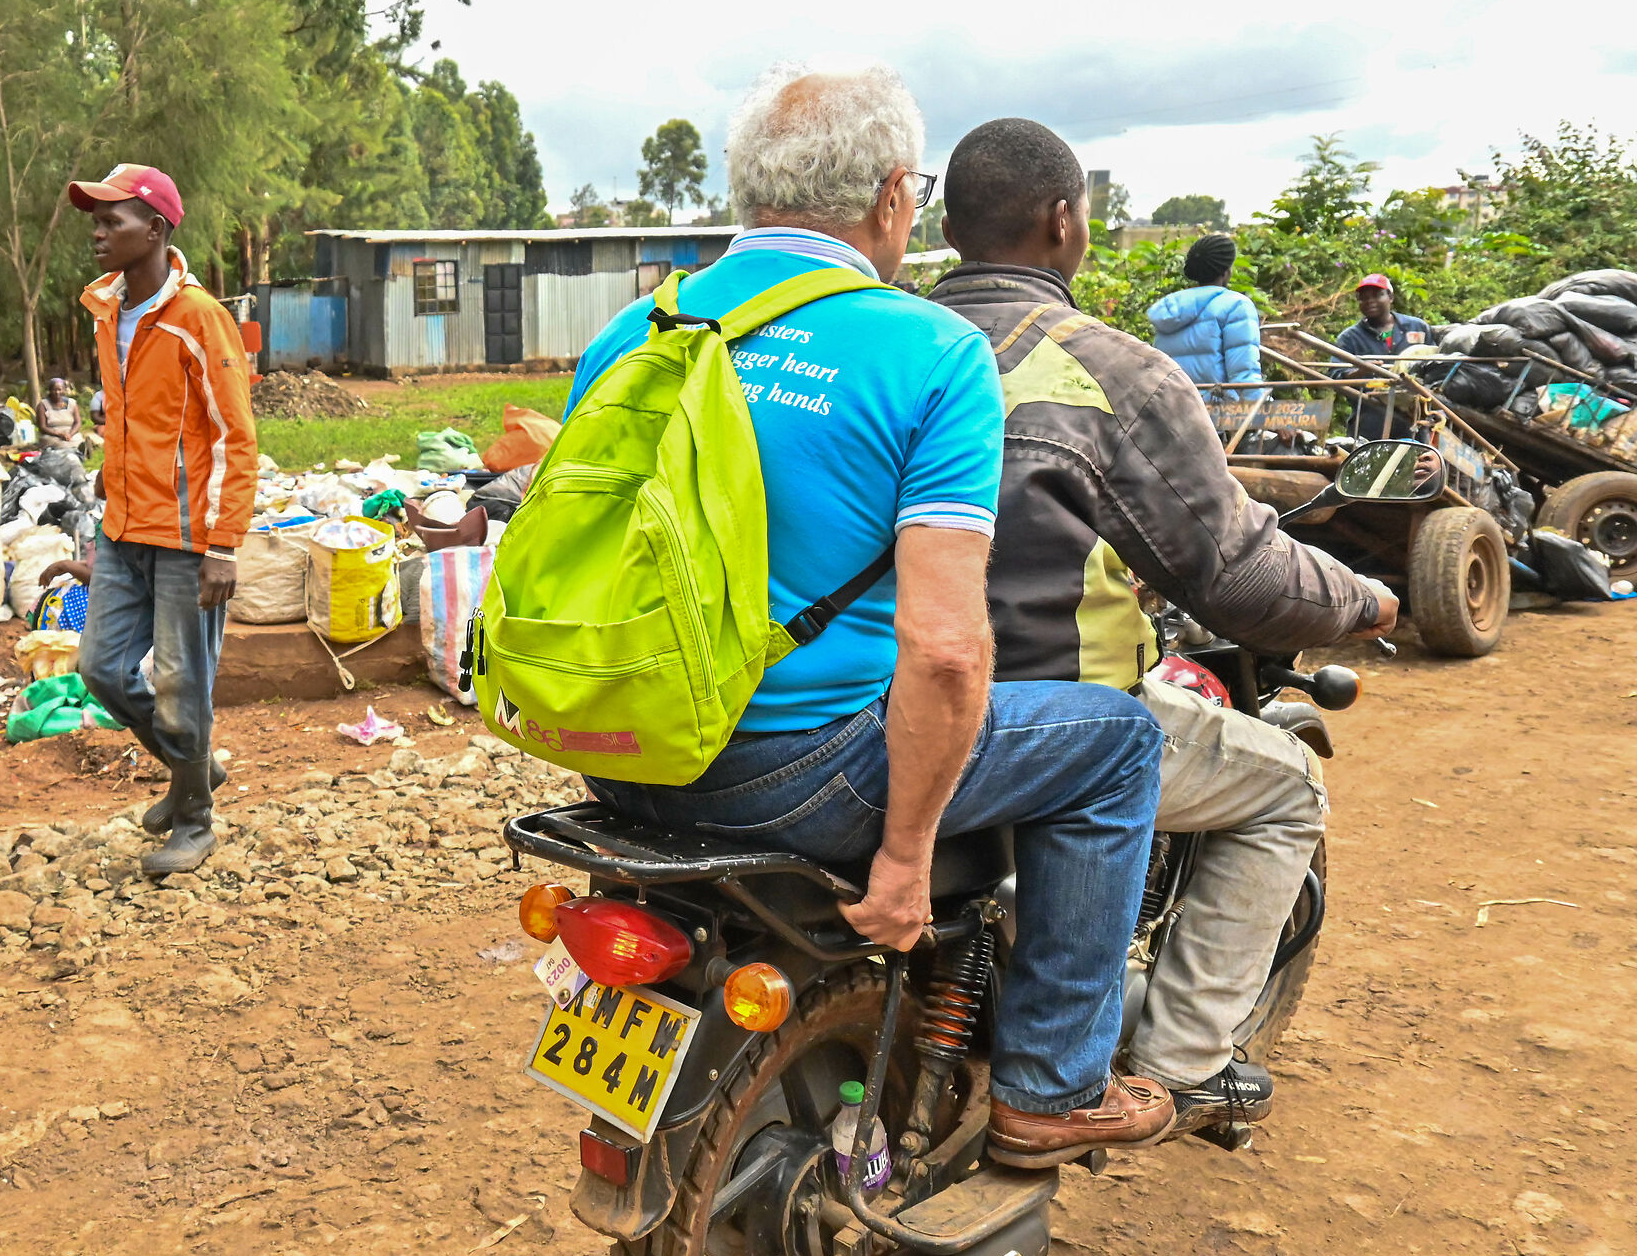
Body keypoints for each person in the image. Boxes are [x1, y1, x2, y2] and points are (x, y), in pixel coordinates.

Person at [566, 65, 1173, 1168]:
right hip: (795, 772)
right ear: (896, 197)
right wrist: (901, 858)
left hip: (615, 749)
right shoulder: (926, 352)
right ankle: (1051, 1086)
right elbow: (944, 651)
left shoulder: (632, 334)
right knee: (1122, 745)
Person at [927, 117, 1399, 1138]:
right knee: (1285, 787)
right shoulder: (1110, 371)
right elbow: (1232, 572)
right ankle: (1184, 1062)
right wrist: (1365, 599)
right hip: (1044, 716)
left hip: (871, 701)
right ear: (1063, 222)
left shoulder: (890, 344)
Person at [68, 164, 257, 877]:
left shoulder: (198, 319)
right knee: (102, 670)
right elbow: (131, 418)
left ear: (154, 229)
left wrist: (224, 544)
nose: (98, 231)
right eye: (97, 218)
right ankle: (193, 773)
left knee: (182, 684)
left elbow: (236, 434)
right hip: (121, 528)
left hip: (186, 536)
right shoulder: (107, 310)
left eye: (111, 220)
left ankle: (195, 818)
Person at [1148, 234, 1264, 398]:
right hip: (1216, 415)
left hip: (1173, 412)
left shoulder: (1171, 308)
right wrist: (1264, 415)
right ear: (1226, 271)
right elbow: (1244, 375)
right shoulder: (1236, 306)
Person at [1336, 274, 1434, 439]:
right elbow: (1335, 377)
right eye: (1363, 298)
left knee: (1414, 461)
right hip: (1370, 419)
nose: (1369, 301)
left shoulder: (1417, 327)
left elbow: (1436, 365)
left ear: (1390, 297)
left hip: (1414, 418)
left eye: (1377, 295)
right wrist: (1361, 370)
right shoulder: (1349, 338)